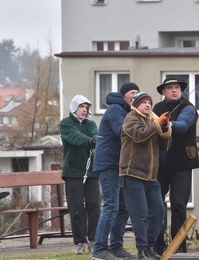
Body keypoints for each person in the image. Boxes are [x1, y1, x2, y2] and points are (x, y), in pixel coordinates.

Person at [120, 92, 172, 260]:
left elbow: (165, 145)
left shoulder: (153, 120)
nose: (148, 105)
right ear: (136, 105)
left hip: (151, 176)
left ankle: (150, 246)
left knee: (158, 211)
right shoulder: (131, 118)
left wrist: (164, 127)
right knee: (139, 214)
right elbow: (139, 135)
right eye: (144, 103)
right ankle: (142, 250)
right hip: (133, 173)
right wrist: (157, 124)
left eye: (150, 102)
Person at [92, 82, 140, 260]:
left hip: (120, 165)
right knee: (111, 206)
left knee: (123, 208)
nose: (134, 95)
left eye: (137, 92)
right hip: (109, 164)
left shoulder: (128, 111)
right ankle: (99, 249)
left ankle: (116, 247)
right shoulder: (115, 110)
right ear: (124, 96)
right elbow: (123, 131)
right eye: (131, 92)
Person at [152, 78, 199, 254]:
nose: (174, 91)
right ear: (163, 91)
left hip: (182, 164)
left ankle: (179, 246)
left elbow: (183, 125)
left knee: (179, 205)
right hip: (160, 165)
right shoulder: (155, 109)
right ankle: (157, 245)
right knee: (157, 204)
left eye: (177, 88)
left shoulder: (188, 107)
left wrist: (167, 123)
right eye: (170, 88)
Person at [60, 95, 101, 254]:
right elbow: (75, 137)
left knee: (94, 207)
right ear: (74, 107)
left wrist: (96, 139)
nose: (84, 110)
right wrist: (90, 141)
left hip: (91, 172)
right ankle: (80, 242)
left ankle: (93, 240)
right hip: (73, 173)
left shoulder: (91, 124)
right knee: (76, 209)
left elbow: (95, 134)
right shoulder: (66, 124)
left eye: (86, 107)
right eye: (81, 106)